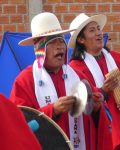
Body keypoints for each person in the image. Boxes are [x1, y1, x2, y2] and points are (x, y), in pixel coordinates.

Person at [10, 12, 104, 150]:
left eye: (61, 41)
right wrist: (53, 110)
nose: (60, 46)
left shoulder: (78, 76)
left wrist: (95, 107)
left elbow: (95, 121)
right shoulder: (25, 80)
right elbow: (19, 125)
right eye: (52, 42)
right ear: (39, 50)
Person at [68, 13, 120, 150]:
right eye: (92, 30)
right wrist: (103, 91)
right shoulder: (75, 69)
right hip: (103, 131)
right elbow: (80, 104)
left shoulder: (117, 58)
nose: (99, 33)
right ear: (81, 39)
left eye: (99, 28)